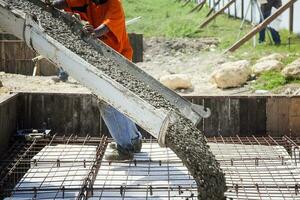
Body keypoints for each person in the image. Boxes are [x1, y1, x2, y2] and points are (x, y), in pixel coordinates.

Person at [50, 0, 142, 160]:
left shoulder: (114, 4)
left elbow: (107, 26)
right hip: (100, 57)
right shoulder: (89, 0)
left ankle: (125, 148)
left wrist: (93, 32)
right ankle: (134, 140)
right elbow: (66, 2)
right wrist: (50, 4)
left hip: (117, 59)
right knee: (121, 101)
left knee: (107, 102)